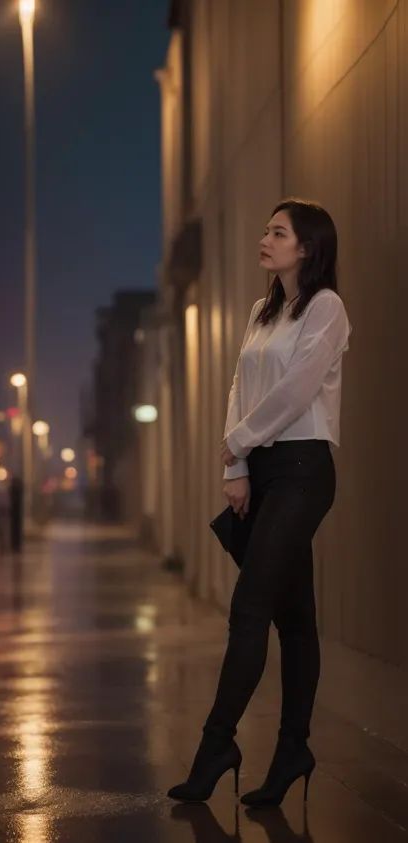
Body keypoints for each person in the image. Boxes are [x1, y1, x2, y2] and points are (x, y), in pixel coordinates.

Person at [167, 198, 351, 807]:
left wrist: (239, 440)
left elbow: (298, 391)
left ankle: (217, 745)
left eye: (279, 232)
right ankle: (294, 749)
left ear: (307, 247)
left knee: (249, 610)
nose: (265, 239)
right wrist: (239, 463)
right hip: (265, 469)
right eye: (266, 229)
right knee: (295, 620)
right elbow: (239, 387)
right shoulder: (261, 310)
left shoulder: (326, 308)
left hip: (304, 468)